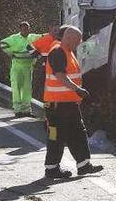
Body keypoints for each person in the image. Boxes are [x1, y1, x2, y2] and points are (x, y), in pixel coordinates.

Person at [43, 26, 103, 179]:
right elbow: (60, 75)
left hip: (69, 104)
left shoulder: (68, 52)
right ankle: (51, 169)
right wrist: (77, 90)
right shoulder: (58, 51)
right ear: (68, 38)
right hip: (57, 105)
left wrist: (77, 94)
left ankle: (84, 165)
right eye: (77, 40)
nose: (79, 43)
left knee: (78, 133)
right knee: (57, 136)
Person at [0, 21, 41, 118]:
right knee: (17, 88)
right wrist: (10, 52)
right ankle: (18, 110)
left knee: (27, 88)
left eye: (26, 28)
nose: (25, 30)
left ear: (29, 29)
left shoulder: (32, 37)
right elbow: (2, 43)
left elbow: (44, 37)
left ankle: (26, 110)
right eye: (23, 28)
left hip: (28, 66)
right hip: (17, 66)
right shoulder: (14, 38)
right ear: (20, 29)